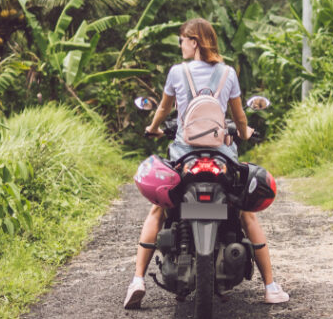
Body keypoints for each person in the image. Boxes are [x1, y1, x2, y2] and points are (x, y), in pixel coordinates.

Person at [124, 18, 289, 309]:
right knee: (245, 213)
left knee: (159, 210)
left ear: (195, 42)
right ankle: (271, 286)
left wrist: (152, 128)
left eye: (183, 40)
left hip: (183, 154)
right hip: (222, 155)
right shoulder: (228, 73)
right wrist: (245, 132)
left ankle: (137, 280)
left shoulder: (177, 72)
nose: (181, 45)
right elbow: (239, 118)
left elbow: (163, 108)